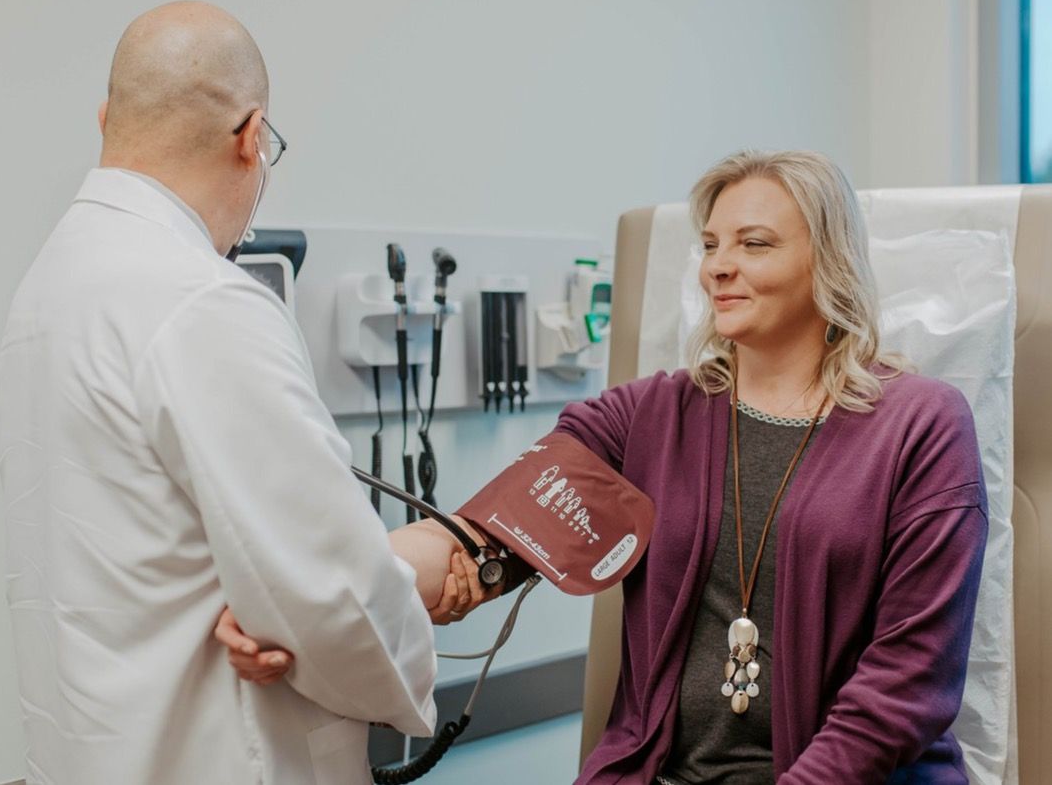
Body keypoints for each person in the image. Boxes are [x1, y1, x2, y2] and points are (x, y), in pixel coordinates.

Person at [229, 150, 987, 782]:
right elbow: (479, 535)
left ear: (830, 260)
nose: (719, 267)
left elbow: (905, 687)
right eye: (712, 244)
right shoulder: (648, 416)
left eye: (754, 244)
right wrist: (300, 600)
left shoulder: (920, 425)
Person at [0, 2, 480, 785]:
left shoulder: (47, 289)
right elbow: (333, 597)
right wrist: (435, 577)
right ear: (253, 137)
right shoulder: (200, 298)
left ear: (105, 120)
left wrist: (296, 615)